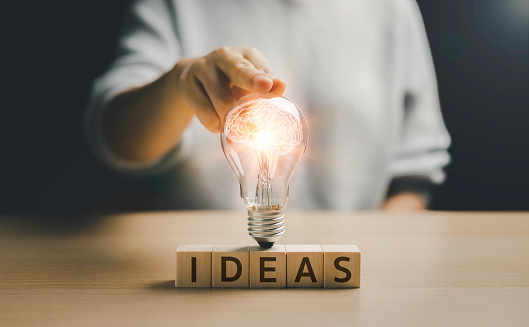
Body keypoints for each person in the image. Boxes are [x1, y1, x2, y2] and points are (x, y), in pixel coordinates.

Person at [86, 0, 451, 211]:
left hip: (347, 276)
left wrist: (379, 260)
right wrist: (181, 83)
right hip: (205, 279)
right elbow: (115, 136)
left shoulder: (391, 8)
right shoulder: (179, 5)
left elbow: (414, 170)